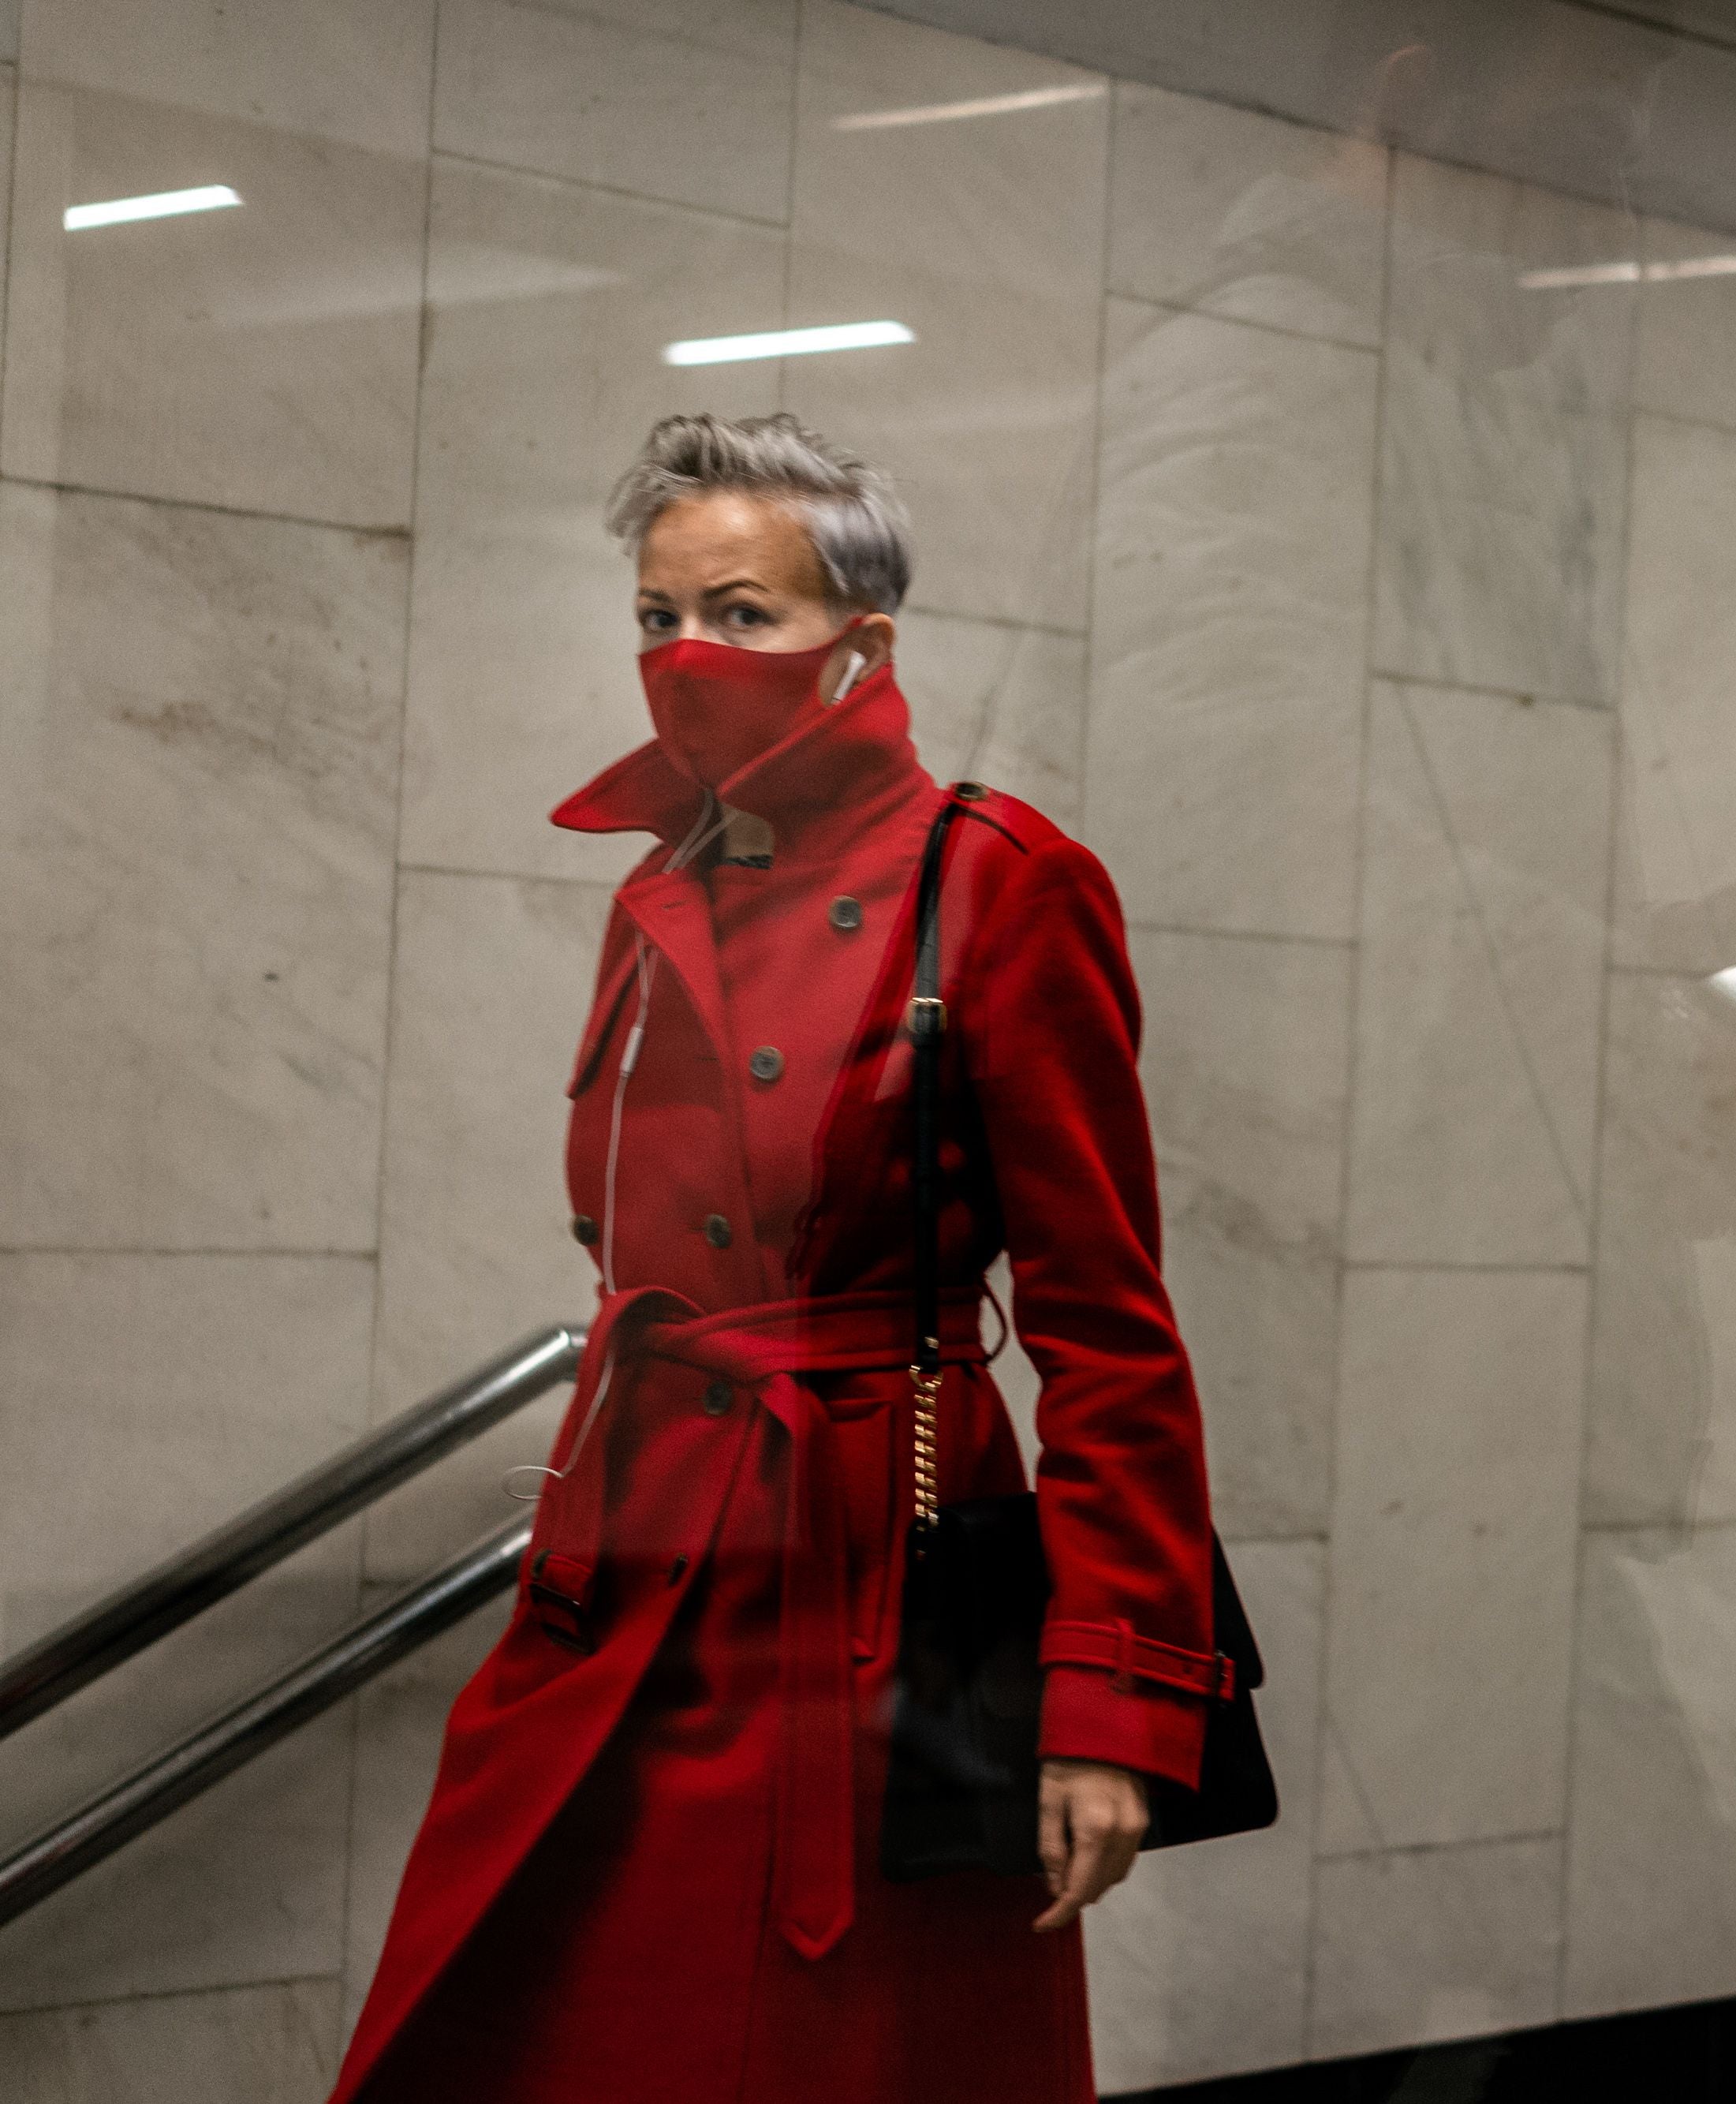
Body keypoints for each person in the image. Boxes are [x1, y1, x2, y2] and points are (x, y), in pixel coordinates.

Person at [331, 414, 1229, 2103]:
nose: (686, 657)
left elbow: (1107, 1333)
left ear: (859, 645)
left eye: (740, 614)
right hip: (629, 1569)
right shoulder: (657, 890)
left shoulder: (1002, 882)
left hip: (866, 1601)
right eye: (658, 617)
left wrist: (1110, 1699)